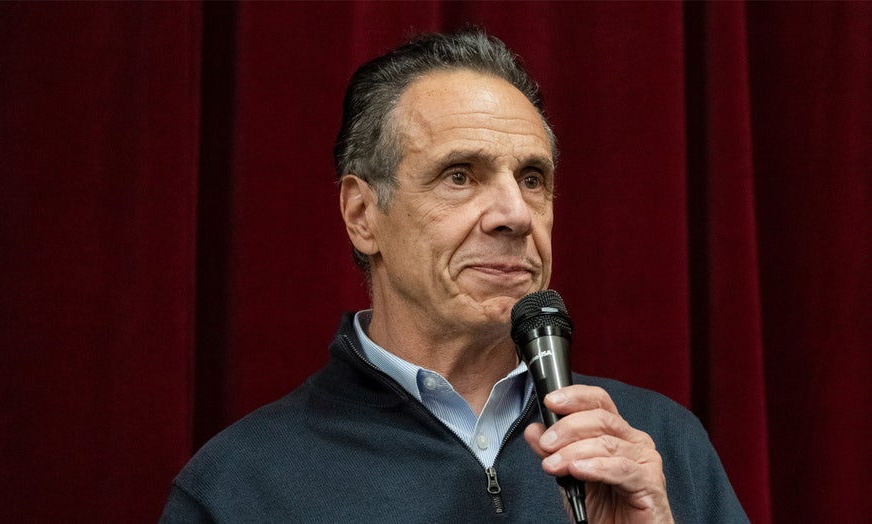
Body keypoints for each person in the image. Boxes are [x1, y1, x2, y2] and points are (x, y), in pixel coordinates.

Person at [160, 29, 747, 523]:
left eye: (533, 179)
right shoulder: (242, 484)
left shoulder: (655, 446)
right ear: (363, 216)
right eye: (460, 176)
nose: (515, 215)